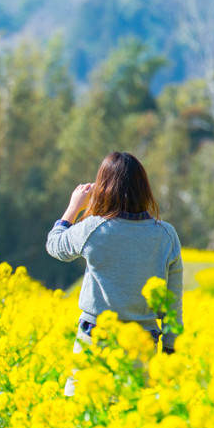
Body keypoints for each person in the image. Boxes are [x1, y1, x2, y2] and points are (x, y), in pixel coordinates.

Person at [46, 152, 183, 396]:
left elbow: (55, 246)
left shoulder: (93, 228)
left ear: (104, 188)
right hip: (142, 349)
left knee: (83, 423)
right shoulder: (166, 236)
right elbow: (173, 304)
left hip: (94, 344)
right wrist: (170, 351)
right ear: (144, 189)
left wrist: (74, 206)